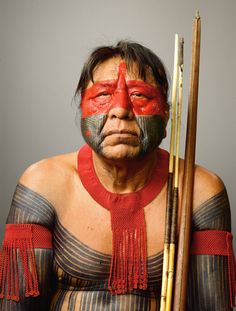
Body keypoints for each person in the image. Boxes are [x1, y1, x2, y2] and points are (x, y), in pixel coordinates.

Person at [0, 41, 235, 311]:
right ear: (82, 111)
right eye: (102, 95)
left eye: (140, 96)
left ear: (167, 115)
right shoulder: (43, 184)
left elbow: (212, 307)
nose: (120, 109)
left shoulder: (201, 191)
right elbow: (17, 306)